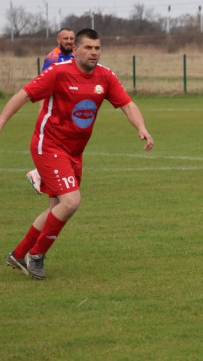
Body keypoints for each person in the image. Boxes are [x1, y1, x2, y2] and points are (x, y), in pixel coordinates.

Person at [1, 28, 154, 280]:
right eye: (88, 48)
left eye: (97, 48)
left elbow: (127, 104)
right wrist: (2, 120)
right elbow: (24, 94)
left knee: (58, 207)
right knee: (71, 202)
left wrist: (141, 127)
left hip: (74, 151)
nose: (94, 52)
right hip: (48, 145)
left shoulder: (105, 77)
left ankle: (18, 254)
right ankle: (35, 256)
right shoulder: (58, 72)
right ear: (75, 49)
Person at [26, 28, 78, 194]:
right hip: (53, 110)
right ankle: (37, 174)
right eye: (65, 38)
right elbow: (43, 85)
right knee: (53, 144)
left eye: (71, 38)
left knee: (67, 144)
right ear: (58, 40)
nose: (69, 41)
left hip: (67, 109)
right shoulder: (53, 57)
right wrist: (42, 109)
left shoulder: (74, 56)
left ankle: (43, 175)